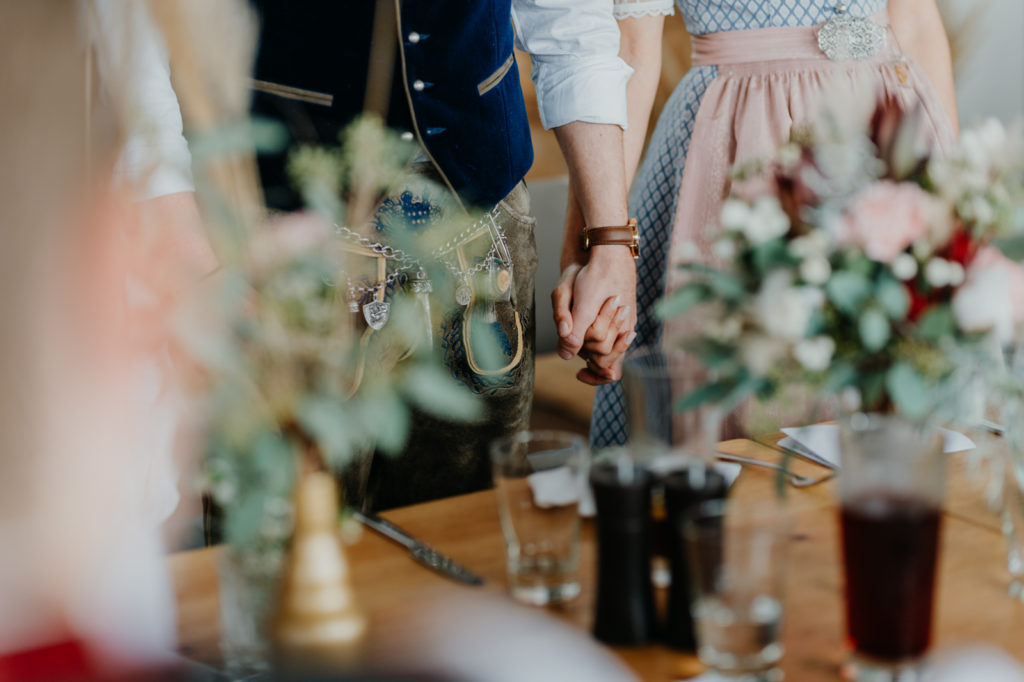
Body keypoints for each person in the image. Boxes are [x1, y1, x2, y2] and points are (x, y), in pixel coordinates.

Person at [248, 1, 638, 510]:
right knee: (294, 536)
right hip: (290, 247)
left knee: (466, 530)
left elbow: (568, 21)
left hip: (485, 246)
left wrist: (610, 240)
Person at [569, 0, 959, 448]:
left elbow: (916, 18)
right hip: (742, 142)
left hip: (889, 136)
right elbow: (631, 49)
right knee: (750, 409)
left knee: (910, 392)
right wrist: (591, 246)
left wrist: (955, 193)